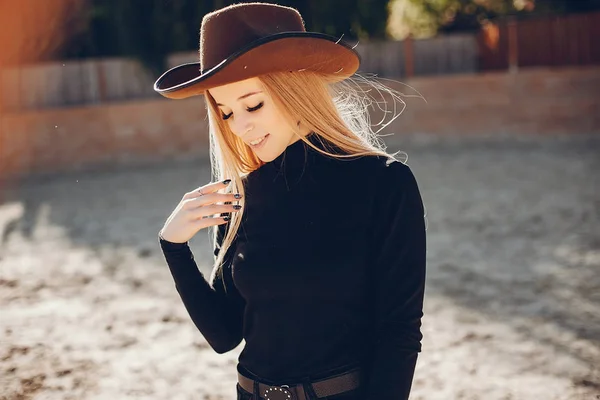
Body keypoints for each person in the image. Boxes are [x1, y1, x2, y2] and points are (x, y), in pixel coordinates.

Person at [154, 3, 426, 399]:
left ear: (295, 89)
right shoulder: (239, 198)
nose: (240, 126)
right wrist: (174, 247)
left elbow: (399, 331)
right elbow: (226, 334)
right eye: (226, 112)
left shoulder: (383, 183)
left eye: (253, 104)